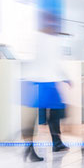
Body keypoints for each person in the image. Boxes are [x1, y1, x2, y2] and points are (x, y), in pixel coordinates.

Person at [21, 22, 71, 160]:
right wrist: (66, 78)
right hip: (46, 83)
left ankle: (30, 148)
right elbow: (54, 63)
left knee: (33, 117)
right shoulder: (50, 41)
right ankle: (55, 143)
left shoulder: (35, 39)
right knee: (56, 112)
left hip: (33, 82)